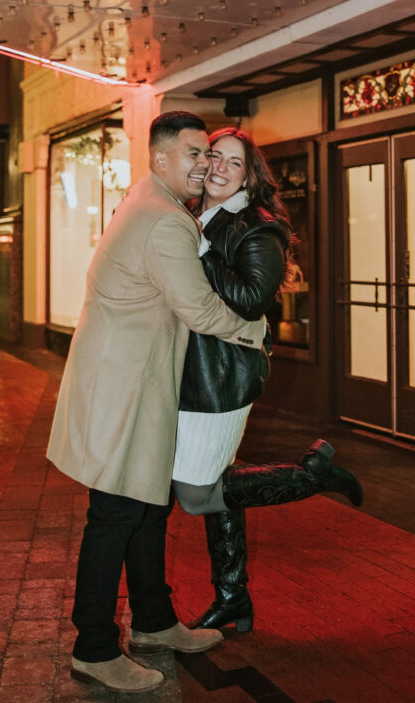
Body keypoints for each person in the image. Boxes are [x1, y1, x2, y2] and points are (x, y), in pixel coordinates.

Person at [46, 111, 268, 693]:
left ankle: (153, 621)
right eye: (195, 153)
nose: (205, 165)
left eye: (210, 155)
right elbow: (197, 308)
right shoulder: (165, 220)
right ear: (162, 156)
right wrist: (253, 331)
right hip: (124, 392)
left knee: (147, 508)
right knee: (117, 515)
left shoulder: (146, 200)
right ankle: (93, 647)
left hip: (130, 387)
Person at [172, 128, 363, 634]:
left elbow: (253, 297)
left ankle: (312, 476)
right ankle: (233, 597)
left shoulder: (257, 225)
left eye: (234, 163)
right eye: (214, 155)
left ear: (249, 177)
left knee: (195, 495)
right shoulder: (194, 212)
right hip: (192, 368)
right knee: (215, 481)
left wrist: (199, 249)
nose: (220, 167)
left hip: (222, 373)